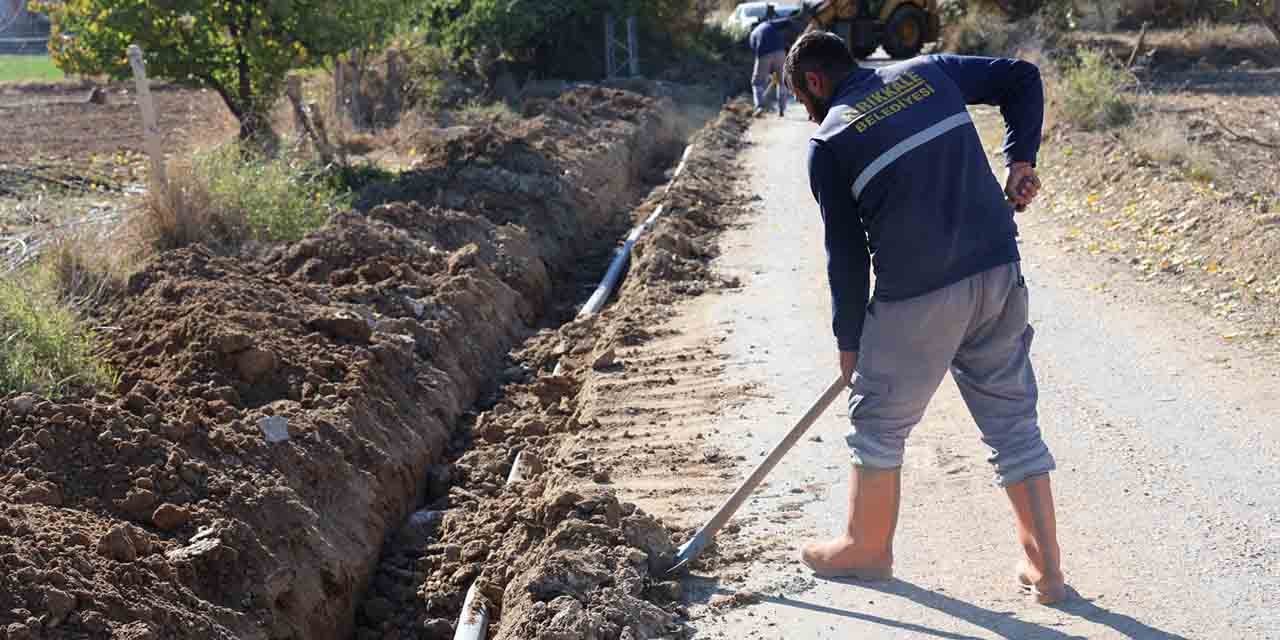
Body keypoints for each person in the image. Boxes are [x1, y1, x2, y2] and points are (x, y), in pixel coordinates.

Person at [783, 31, 1067, 604]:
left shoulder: (831, 142)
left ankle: (866, 547)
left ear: (814, 82)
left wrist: (850, 342)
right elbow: (1021, 77)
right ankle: (1047, 571)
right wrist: (1021, 161)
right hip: (997, 271)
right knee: (1012, 421)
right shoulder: (929, 71)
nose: (810, 114)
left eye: (803, 100)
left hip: (919, 296)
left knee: (878, 421)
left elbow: (847, 254)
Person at [749, 10, 789, 118]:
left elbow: (755, 50)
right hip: (781, 53)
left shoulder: (753, 33)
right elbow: (786, 22)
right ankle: (782, 109)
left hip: (764, 54)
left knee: (757, 82)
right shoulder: (770, 24)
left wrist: (766, 69)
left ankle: (759, 106)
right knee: (782, 82)